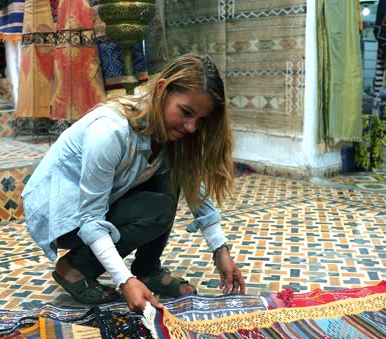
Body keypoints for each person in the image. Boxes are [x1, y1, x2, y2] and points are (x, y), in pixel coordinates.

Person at [22, 53, 246, 313]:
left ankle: (148, 270)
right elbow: (91, 218)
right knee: (158, 208)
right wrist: (124, 280)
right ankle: (74, 268)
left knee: (174, 177)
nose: (192, 127)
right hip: (60, 216)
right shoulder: (110, 131)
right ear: (162, 89)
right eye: (186, 112)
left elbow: (193, 182)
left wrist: (220, 249)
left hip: (93, 208)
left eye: (200, 120)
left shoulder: (165, 129)